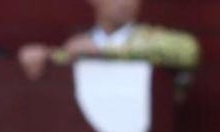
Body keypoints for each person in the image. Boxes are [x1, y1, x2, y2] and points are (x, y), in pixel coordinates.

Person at [16, 0, 199, 81]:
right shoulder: (78, 46)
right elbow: (61, 58)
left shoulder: (151, 39)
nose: (126, 2)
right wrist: (43, 55)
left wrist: (104, 52)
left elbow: (188, 51)